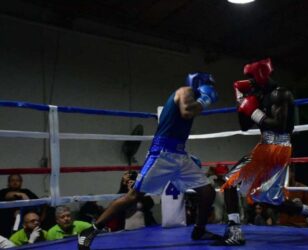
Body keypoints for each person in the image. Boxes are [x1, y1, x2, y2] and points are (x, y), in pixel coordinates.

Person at [78, 72, 220, 250]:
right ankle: (90, 231)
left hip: (180, 155)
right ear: (201, 83)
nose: (212, 90)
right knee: (134, 196)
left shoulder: (192, 98)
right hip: (162, 153)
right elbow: (185, 112)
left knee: (207, 192)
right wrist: (205, 100)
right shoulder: (185, 91)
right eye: (210, 86)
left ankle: (199, 230)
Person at [215, 58, 308, 246]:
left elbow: (281, 126)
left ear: (261, 74)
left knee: (230, 184)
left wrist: (253, 111)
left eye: (251, 77)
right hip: (266, 147)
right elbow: (244, 127)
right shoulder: (258, 95)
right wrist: (241, 102)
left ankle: (235, 232)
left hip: (276, 148)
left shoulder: (281, 94)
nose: (249, 81)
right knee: (267, 198)